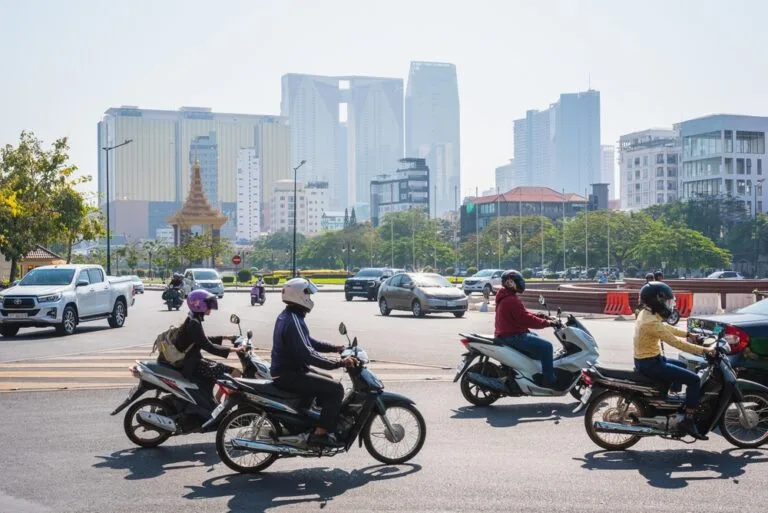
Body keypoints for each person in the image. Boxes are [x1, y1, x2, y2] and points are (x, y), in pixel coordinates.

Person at [271, 278, 358, 447]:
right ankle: (320, 433)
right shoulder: (293, 320)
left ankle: (307, 423)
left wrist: (336, 348)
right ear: (299, 295)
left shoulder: (289, 316)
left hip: (288, 371)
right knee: (336, 389)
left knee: (326, 379)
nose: (310, 298)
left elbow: (308, 342)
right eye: (308, 294)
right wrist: (339, 363)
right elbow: (309, 354)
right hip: (289, 374)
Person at [634, 282, 716, 440]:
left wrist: (688, 334)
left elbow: (666, 329)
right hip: (650, 364)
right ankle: (689, 419)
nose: (667, 305)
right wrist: (704, 350)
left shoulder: (646, 313)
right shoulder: (650, 321)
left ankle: (672, 401)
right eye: (666, 302)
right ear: (656, 301)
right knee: (694, 380)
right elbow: (675, 343)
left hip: (649, 359)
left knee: (682, 365)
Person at [494, 269, 559, 387]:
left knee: (535, 339)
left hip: (507, 334)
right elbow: (525, 319)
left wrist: (540, 316)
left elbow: (522, 314)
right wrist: (547, 323)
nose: (522, 283)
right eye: (519, 281)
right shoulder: (511, 300)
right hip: (513, 336)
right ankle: (549, 380)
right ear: (510, 283)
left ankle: (530, 373)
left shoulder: (506, 297)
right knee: (547, 347)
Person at [175, 290, 246, 384]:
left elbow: (201, 339)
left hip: (193, 360)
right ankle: (226, 398)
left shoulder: (192, 318)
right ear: (199, 305)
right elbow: (209, 346)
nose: (211, 307)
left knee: (226, 374)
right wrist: (235, 350)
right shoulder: (194, 323)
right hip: (192, 364)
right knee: (235, 372)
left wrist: (225, 337)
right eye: (208, 304)